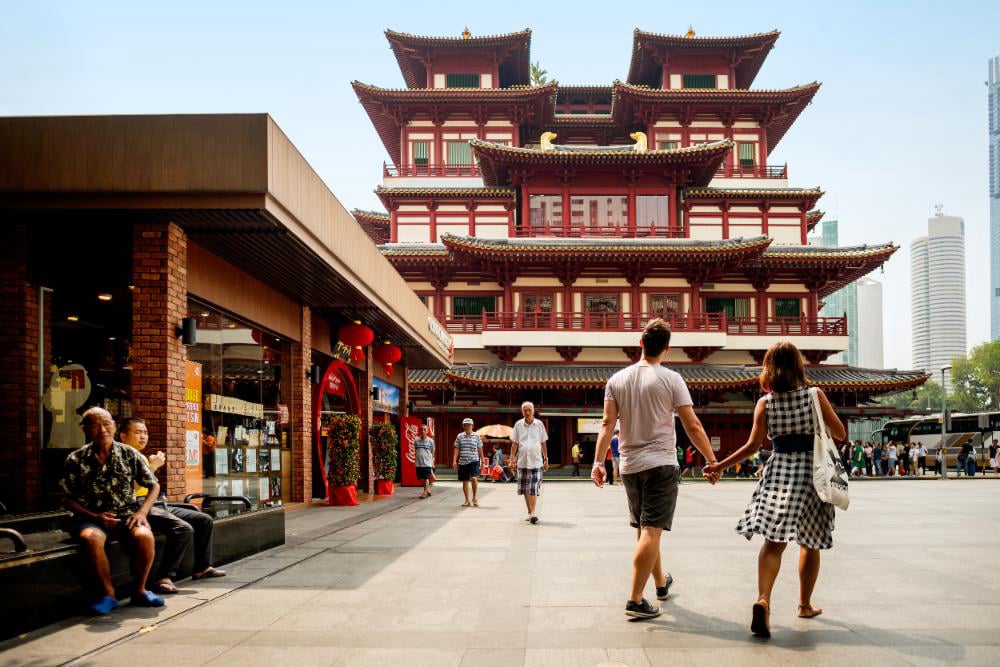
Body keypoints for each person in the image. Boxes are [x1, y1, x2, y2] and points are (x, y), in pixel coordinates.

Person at [705, 340, 846, 639]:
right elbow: (840, 433)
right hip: (813, 475)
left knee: (773, 541)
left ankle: (763, 600)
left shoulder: (765, 403)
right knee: (810, 542)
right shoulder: (814, 395)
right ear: (798, 365)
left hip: (780, 472)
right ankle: (805, 604)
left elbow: (752, 447)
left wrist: (719, 465)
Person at [592, 318, 718, 620]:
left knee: (647, 529)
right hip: (661, 463)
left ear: (640, 344)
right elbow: (692, 424)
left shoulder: (616, 380)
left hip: (630, 466)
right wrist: (712, 460)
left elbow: (608, 423)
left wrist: (598, 462)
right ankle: (635, 599)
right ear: (667, 349)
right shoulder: (671, 378)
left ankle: (660, 583)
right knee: (650, 530)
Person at [61, 407, 166, 614]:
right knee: (91, 538)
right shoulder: (75, 459)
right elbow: (66, 498)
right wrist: (94, 516)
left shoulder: (129, 454)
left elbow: (154, 485)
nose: (102, 429)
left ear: (115, 426)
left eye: (107, 423)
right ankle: (108, 594)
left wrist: (141, 513)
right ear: (84, 428)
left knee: (144, 535)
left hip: (127, 515)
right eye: (95, 424)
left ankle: (140, 590)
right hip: (91, 517)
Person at [119, 417, 225, 594]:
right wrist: (153, 466)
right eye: (137, 432)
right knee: (183, 529)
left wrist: (151, 465)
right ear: (123, 436)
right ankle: (164, 577)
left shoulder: (140, 456)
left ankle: (202, 567)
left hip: (156, 503)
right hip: (138, 507)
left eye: (145, 432)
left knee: (203, 519)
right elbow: (130, 489)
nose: (143, 436)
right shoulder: (122, 455)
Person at [510, 401, 548, 524]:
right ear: (522, 412)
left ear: (533, 411)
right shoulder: (518, 425)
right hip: (522, 461)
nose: (527, 412)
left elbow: (543, 442)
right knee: (525, 489)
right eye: (525, 410)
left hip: (536, 461)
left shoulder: (539, 424)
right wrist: (512, 459)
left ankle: (533, 513)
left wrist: (546, 459)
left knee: (533, 488)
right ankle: (530, 512)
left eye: (529, 410)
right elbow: (515, 443)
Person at [452, 418, 484, 507]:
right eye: (465, 425)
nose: (467, 426)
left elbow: (480, 448)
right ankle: (467, 500)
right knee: (465, 481)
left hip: (474, 461)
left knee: (474, 478)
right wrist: (454, 460)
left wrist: (483, 461)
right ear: (463, 426)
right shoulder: (459, 436)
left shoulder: (477, 436)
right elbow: (457, 448)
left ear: (472, 426)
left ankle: (474, 498)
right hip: (463, 462)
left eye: (469, 425)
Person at [414, 422, 435, 498]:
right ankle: (428, 489)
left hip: (427, 462)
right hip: (419, 463)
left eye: (424, 429)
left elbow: (433, 451)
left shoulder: (430, 441)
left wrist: (432, 461)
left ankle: (425, 492)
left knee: (426, 477)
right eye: (421, 429)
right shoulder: (416, 440)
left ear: (427, 431)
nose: (423, 431)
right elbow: (415, 450)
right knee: (421, 478)